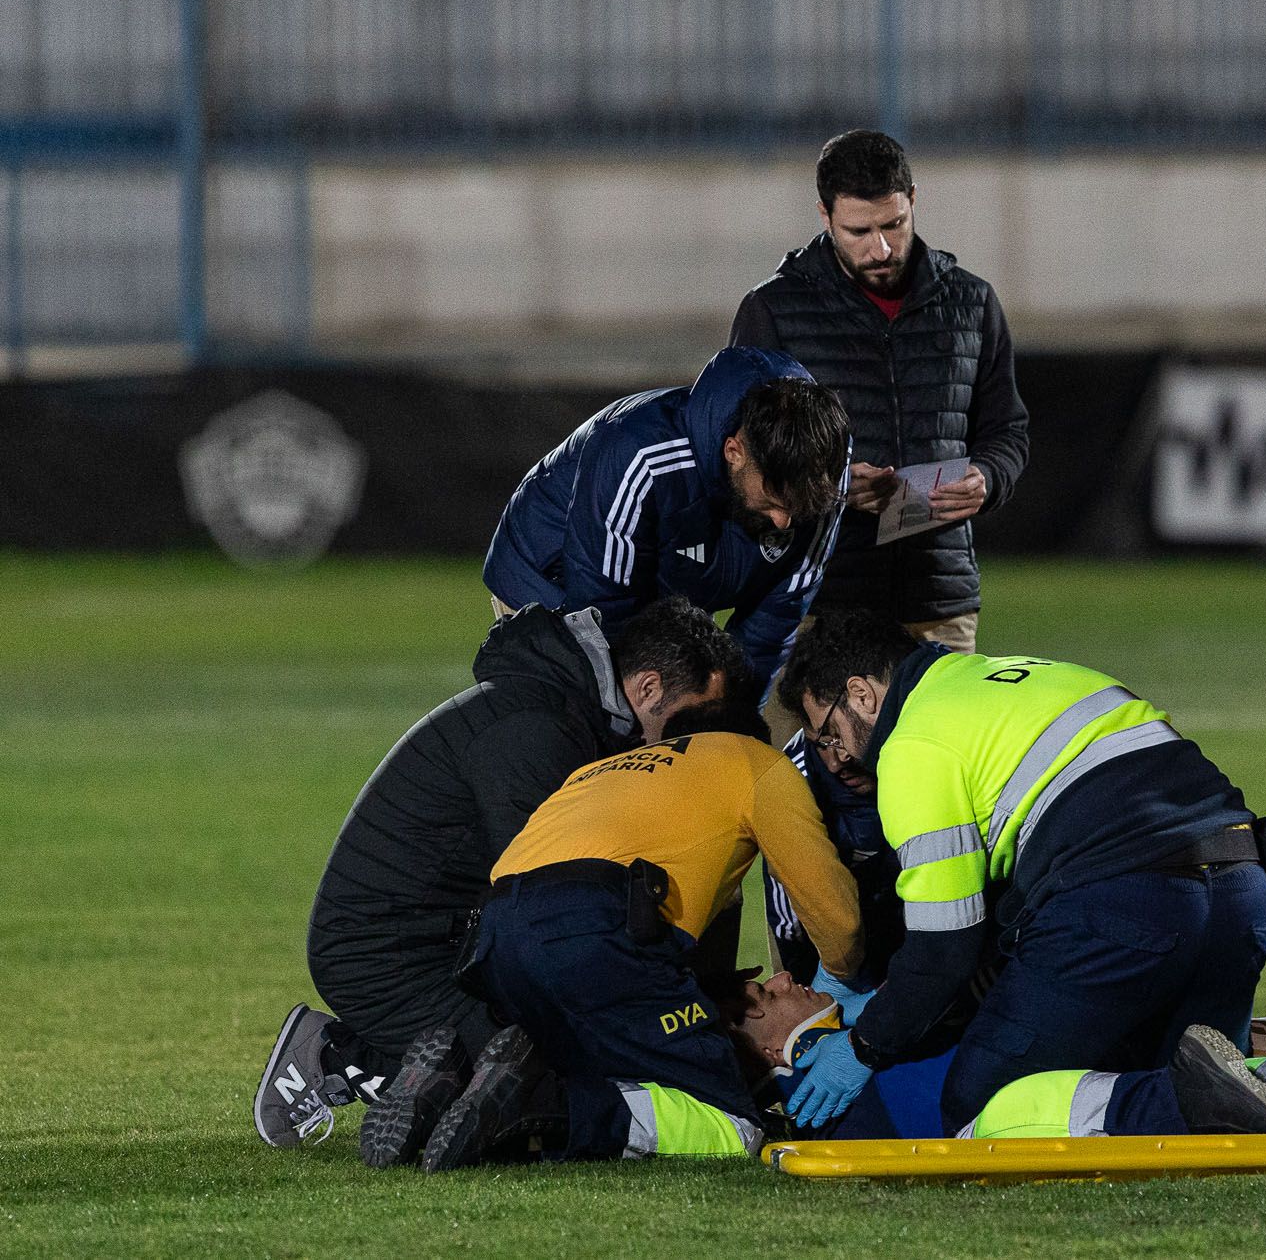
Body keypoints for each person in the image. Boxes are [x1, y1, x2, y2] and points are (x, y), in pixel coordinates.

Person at [253, 596, 741, 1162]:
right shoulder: (537, 729)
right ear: (649, 688)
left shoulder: (553, 713)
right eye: (688, 722)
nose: (690, 742)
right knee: (539, 1080)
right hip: (382, 958)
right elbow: (546, 899)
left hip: (429, 939)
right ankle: (336, 1059)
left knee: (532, 1070)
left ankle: (386, 1065)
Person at [774, 607, 1266, 1135]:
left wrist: (864, 1046)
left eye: (828, 736)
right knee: (1189, 1072)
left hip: (1127, 902)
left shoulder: (913, 746)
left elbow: (944, 948)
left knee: (985, 1110)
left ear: (861, 694)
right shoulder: (1038, 673)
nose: (835, 761)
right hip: (1244, 889)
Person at [416, 703, 865, 1172]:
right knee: (736, 1124)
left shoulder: (599, 772)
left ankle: (446, 1084)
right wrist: (842, 977)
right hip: (595, 927)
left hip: (492, 938)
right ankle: (539, 1102)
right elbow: (838, 916)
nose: (783, 978)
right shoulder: (756, 761)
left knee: (612, 1069)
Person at [730, 129, 1030, 710]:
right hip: (813, 600)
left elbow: (1007, 430)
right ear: (824, 216)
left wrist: (988, 479)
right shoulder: (774, 311)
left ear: (913, 199)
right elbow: (741, 454)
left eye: (893, 224)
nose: (881, 248)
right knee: (795, 784)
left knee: (935, 781)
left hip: (935, 603)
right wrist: (833, 487)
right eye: (859, 232)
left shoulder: (972, 303)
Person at [482, 345, 850, 700]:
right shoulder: (638, 453)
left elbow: (772, 624)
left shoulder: (824, 469)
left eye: (796, 510)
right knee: (579, 729)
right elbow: (600, 615)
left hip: (668, 588)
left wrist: (736, 722)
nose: (784, 524)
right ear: (733, 452)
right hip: (553, 582)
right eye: (772, 502)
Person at [726, 970, 1266, 1140]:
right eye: (767, 991)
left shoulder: (868, 1021)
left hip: (1048, 1060)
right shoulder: (818, 1086)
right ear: (767, 1042)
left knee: (1257, 1036)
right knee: (1206, 1077)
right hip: (1012, 1106)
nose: (784, 977)